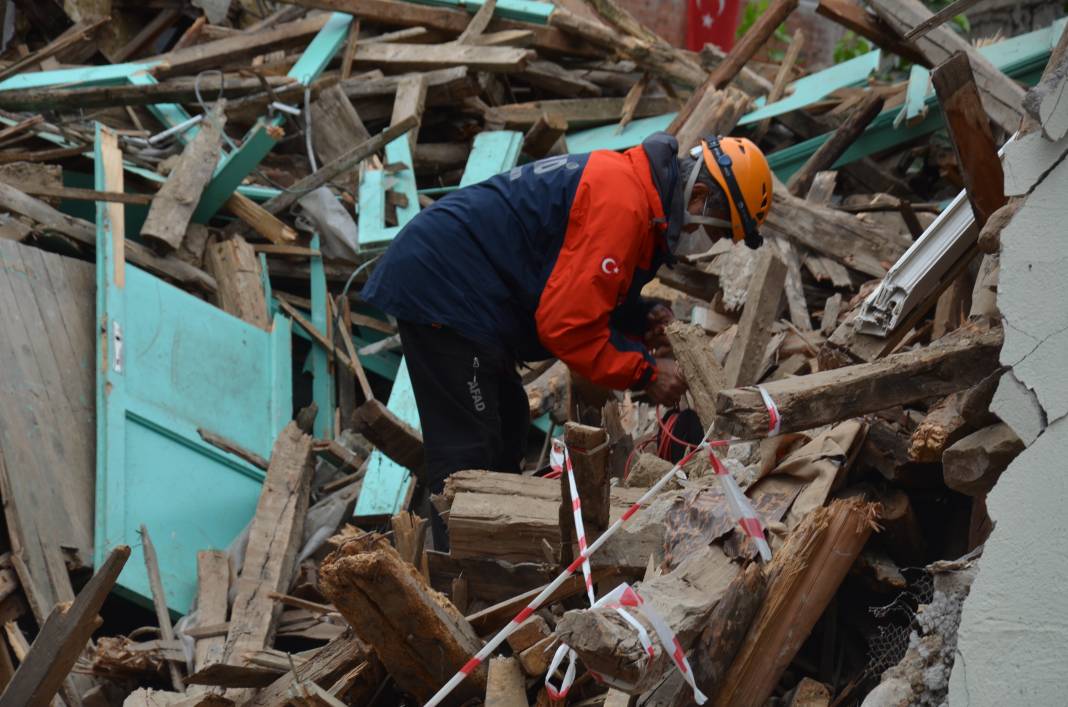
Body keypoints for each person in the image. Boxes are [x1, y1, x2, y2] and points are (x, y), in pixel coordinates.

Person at [361, 131, 773, 496]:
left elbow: (581, 286)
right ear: (698, 196)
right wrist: (647, 373)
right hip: (445, 286)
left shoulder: (639, 196)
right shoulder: (624, 204)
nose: (708, 243)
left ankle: (497, 553)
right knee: (468, 456)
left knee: (508, 424)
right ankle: (459, 573)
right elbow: (566, 326)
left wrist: (641, 317)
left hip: (464, 286)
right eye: (717, 231)